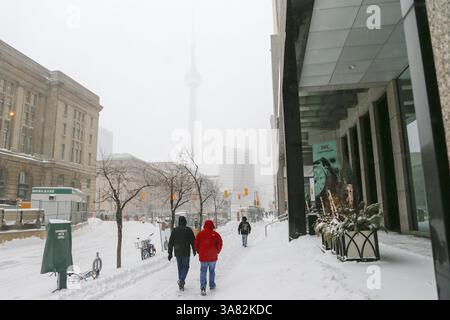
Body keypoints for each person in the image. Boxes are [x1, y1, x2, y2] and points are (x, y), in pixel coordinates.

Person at [194, 220, 223, 296]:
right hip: (213, 257)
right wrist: (217, 251)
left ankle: (203, 287)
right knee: (212, 271)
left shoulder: (200, 234)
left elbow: (196, 244)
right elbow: (220, 243)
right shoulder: (215, 234)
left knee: (203, 271)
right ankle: (212, 285)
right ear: (212, 226)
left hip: (203, 257)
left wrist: (198, 251)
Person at [168, 216, 196, 291]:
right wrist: (194, 249)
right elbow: (193, 241)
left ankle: (181, 284)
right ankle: (181, 280)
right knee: (186, 267)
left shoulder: (174, 230)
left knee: (180, 268)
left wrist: (170, 253)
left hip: (177, 252)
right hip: (186, 252)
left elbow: (170, 243)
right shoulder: (188, 230)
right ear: (185, 221)